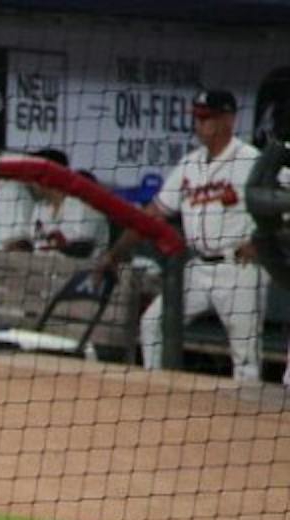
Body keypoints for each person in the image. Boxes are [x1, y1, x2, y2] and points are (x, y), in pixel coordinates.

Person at [102, 89, 271, 384]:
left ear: (228, 120)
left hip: (240, 270)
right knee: (154, 323)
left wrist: (262, 241)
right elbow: (152, 213)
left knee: (245, 357)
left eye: (206, 118)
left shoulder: (252, 160)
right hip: (198, 267)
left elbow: (284, 203)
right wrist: (116, 252)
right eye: (197, 117)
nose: (199, 124)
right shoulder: (189, 164)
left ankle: (247, 424)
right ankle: (159, 398)